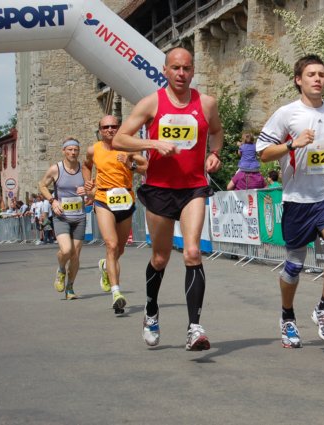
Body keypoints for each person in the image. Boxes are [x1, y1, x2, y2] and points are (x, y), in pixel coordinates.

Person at [112, 47, 223, 350]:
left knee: (192, 252)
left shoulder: (207, 103)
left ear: (193, 70)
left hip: (193, 187)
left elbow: (216, 132)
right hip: (160, 189)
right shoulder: (152, 103)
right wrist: (153, 143)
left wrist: (214, 153)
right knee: (160, 258)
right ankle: (151, 310)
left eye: (186, 68)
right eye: (175, 68)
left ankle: (194, 328)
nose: (181, 74)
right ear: (165, 70)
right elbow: (119, 138)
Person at [256, 54, 324, 348]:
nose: (317, 79)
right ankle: (287, 316)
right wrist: (292, 144)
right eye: (311, 74)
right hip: (298, 199)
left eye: (321, 74)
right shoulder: (286, 114)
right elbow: (263, 152)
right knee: (294, 266)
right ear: (298, 80)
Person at [83, 115, 148, 315]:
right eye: (106, 127)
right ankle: (116, 293)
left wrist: (130, 165)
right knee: (111, 245)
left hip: (125, 199)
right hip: (103, 199)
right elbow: (86, 165)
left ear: (119, 128)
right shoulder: (94, 149)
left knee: (119, 249)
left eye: (113, 126)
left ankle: (105, 266)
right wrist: (88, 184)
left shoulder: (129, 148)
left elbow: (146, 168)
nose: (110, 129)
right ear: (100, 130)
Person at [38, 138, 90, 300]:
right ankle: (61, 269)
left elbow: (93, 189)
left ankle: (70, 288)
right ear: (64, 151)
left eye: (76, 150)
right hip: (61, 217)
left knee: (75, 255)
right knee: (66, 250)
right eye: (70, 150)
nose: (73, 153)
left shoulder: (84, 169)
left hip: (79, 217)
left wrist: (87, 192)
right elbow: (42, 185)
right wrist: (52, 201)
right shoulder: (56, 169)